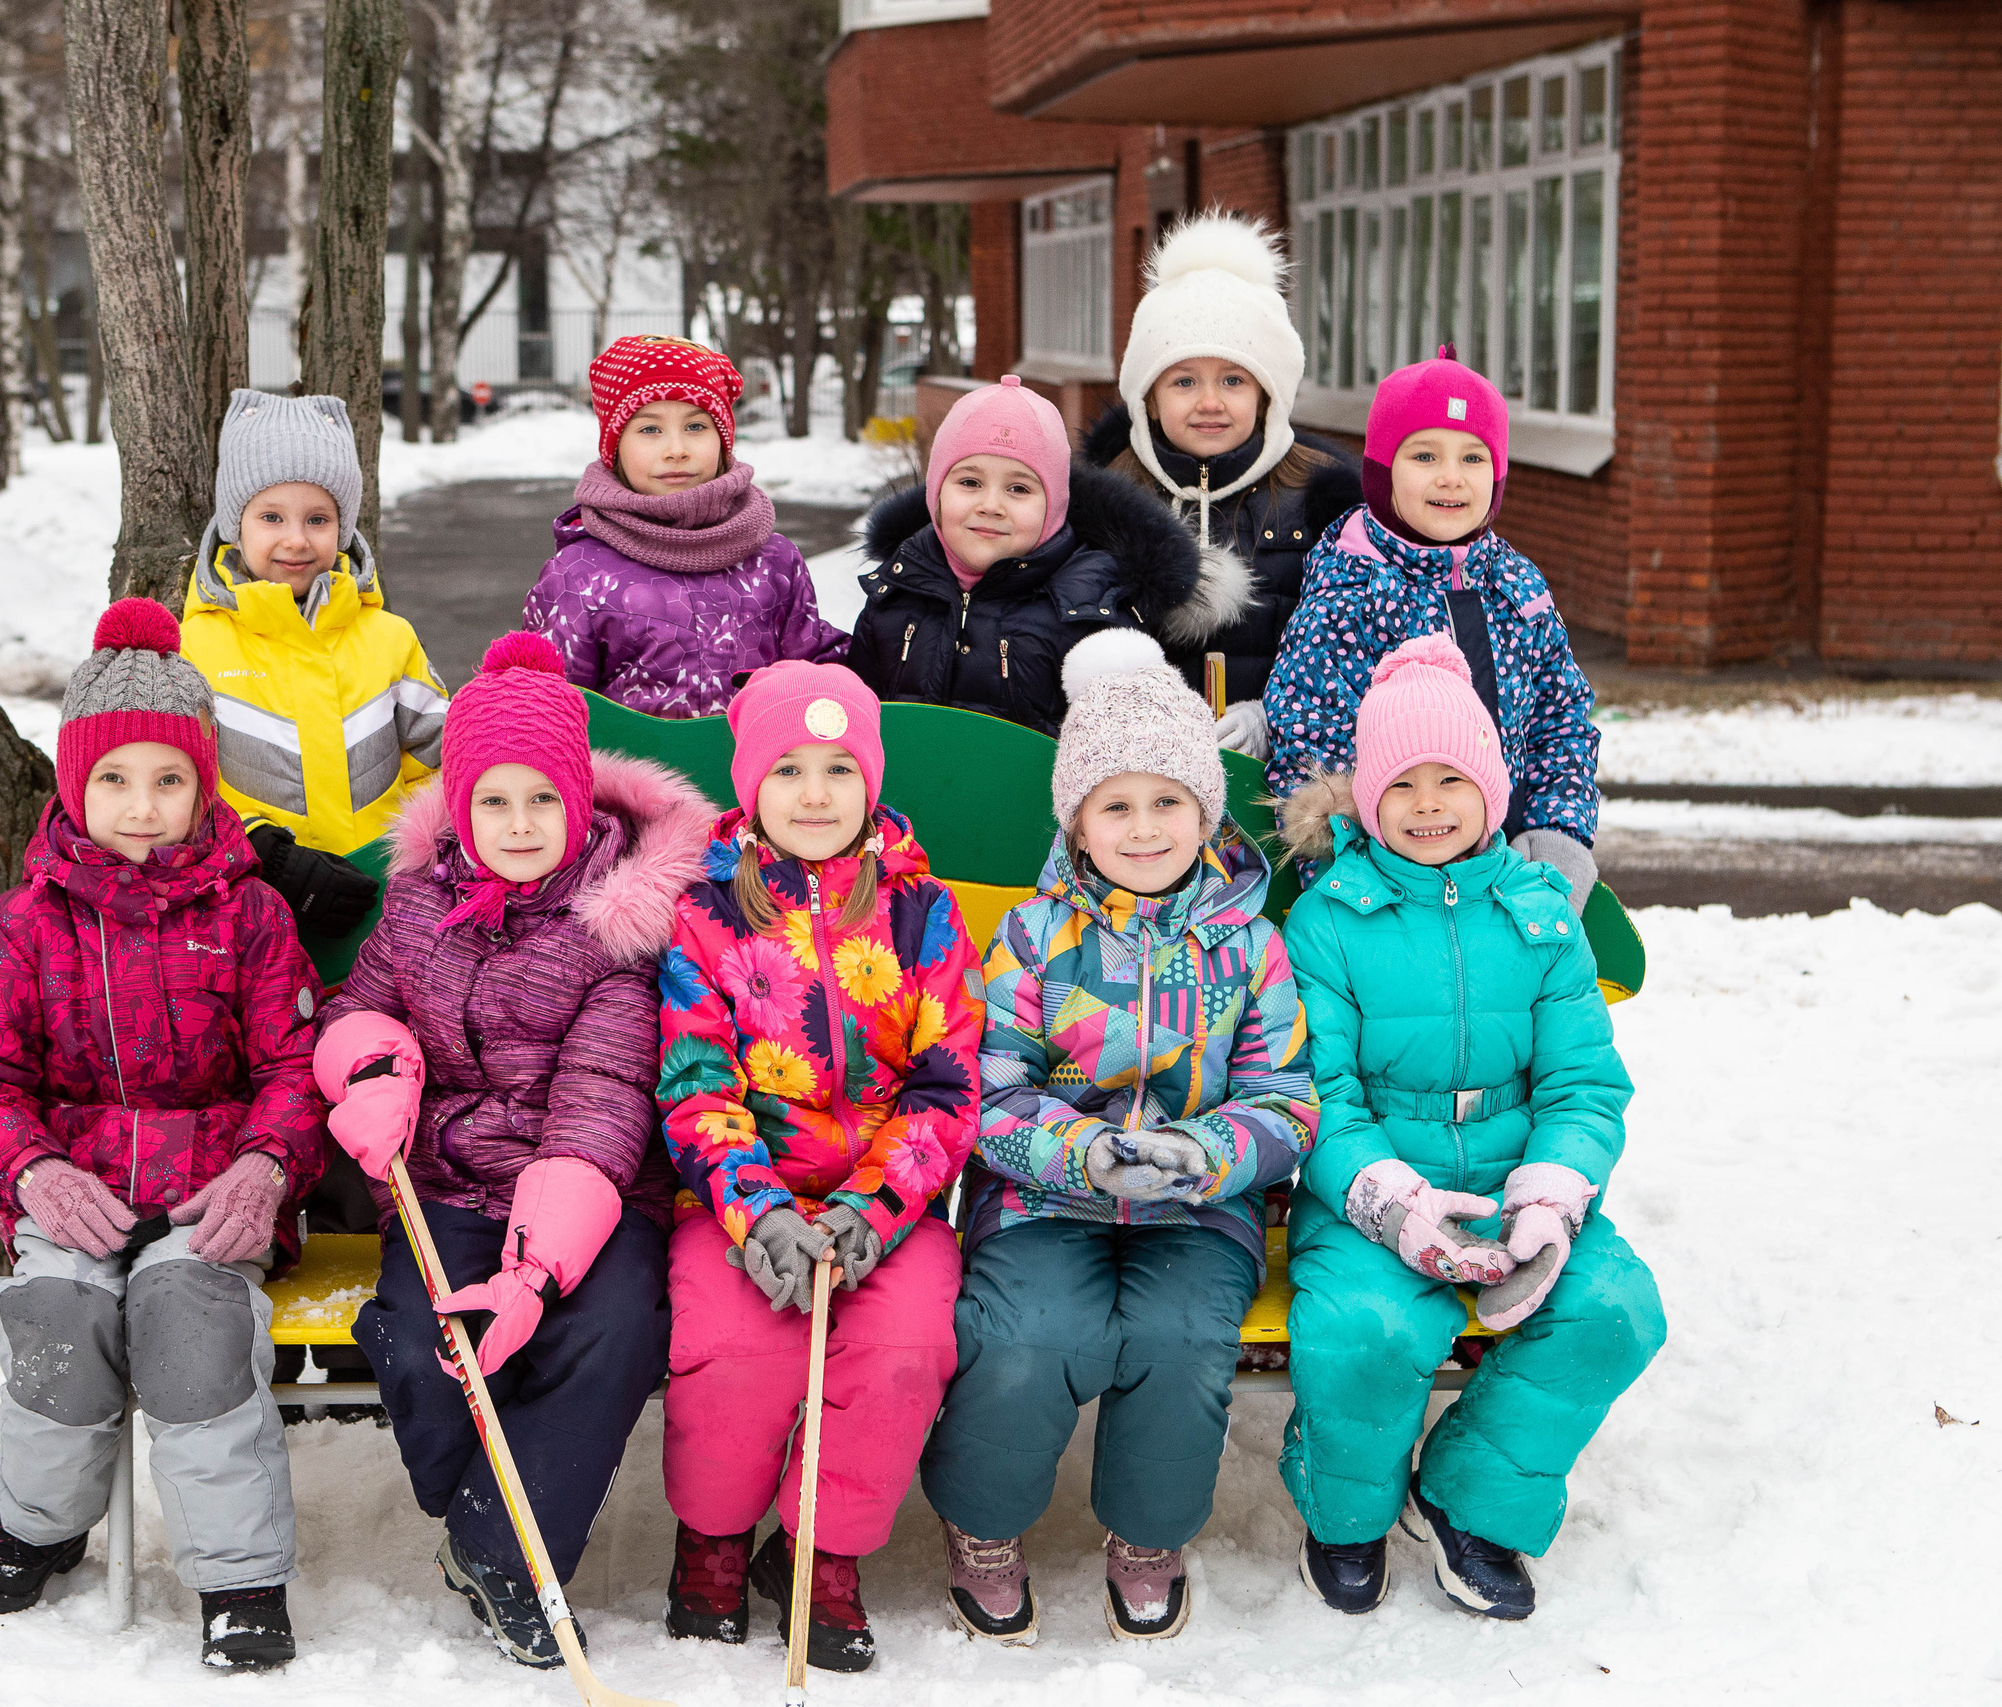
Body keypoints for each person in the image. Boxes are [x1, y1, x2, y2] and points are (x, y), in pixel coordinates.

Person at [0, 599, 327, 1672]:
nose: (140, 807)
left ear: (203, 788)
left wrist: (266, 1164)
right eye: (114, 779)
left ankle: (238, 1575)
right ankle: (39, 1528)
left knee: (188, 1320)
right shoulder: (21, 926)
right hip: (77, 1193)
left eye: (167, 780)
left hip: (210, 1201)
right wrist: (29, 1166)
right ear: (73, 783)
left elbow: (298, 1068)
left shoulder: (249, 918)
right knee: (58, 1319)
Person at [310, 631, 712, 1669]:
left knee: (613, 1327)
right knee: (422, 1333)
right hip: (443, 1182)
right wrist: (369, 1069)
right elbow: (360, 1007)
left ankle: (506, 1554)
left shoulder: (618, 927)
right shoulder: (417, 907)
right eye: (496, 801)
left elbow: (602, 1096)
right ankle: (483, 1520)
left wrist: (534, 1271)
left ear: (579, 804)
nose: (521, 824)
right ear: (459, 807)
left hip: (592, 1193)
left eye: (544, 800)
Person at [920, 630, 1317, 1647]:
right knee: (1027, 1334)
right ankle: (984, 1520)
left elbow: (1285, 1098)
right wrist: (1076, 1153)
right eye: (1116, 806)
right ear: (1078, 822)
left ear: (1204, 813)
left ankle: (1148, 1535)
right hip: (1046, 1200)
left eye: (1167, 803)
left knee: (1178, 1339)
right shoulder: (1031, 937)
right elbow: (987, 1094)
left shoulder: (1250, 946)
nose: (1144, 829)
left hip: (1196, 1209)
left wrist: (1208, 1154)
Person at [1272, 634, 1663, 1621]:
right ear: (1367, 799)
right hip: (1374, 1192)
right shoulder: (1329, 920)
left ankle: (1468, 1497)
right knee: (1362, 1330)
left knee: (1611, 1311)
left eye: (1453, 778)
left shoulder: (1539, 915)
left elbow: (1581, 1085)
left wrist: (1549, 1197)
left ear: (1490, 789)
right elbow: (1320, 1094)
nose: (1429, 804)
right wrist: (1393, 1204)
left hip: (1510, 1179)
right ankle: (1346, 1512)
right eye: (1403, 784)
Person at [655, 660, 982, 1672]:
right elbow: (695, 1086)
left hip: (885, 1206)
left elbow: (944, 1085)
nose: (812, 794)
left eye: (838, 769)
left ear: (870, 783)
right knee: (731, 1347)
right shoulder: (708, 915)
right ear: (751, 785)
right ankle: (710, 1540)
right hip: (740, 1203)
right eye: (788, 769)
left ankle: (818, 1554)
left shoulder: (923, 915)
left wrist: (872, 1211)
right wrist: (756, 1213)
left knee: (903, 1349)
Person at [1262, 351, 1603, 913]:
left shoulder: (1518, 587)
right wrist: (1354, 877)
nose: (1451, 477)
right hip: (1393, 881)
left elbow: (1560, 718)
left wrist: (1554, 841)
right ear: (1381, 470)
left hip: (1510, 876)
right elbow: (1311, 739)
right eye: (1424, 455)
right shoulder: (1351, 593)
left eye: (1473, 457)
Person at [182, 388, 449, 963]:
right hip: (248, 917)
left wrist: (414, 861)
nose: (297, 539)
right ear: (235, 524)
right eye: (271, 516)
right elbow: (177, 785)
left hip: (385, 911)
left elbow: (440, 761)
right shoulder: (194, 650)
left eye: (318, 518)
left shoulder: (388, 639)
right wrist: (261, 852)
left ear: (344, 527)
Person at [1081, 212, 1362, 744]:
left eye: (1233, 379)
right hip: (1145, 784)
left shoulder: (1326, 503)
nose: (1210, 402)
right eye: (1184, 380)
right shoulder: (1104, 501)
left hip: (1279, 784)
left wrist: (1276, 718)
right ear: (1151, 401)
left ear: (1266, 397)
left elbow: (1357, 651)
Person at [849, 375, 1245, 737]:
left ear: (1054, 504)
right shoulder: (894, 595)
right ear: (935, 491)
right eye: (969, 482)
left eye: (1019, 489)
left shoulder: (1091, 614)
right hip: (909, 813)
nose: (991, 505)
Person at [523, 336, 847, 716]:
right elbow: (545, 713)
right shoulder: (578, 575)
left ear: (724, 441)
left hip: (752, 774)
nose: (676, 448)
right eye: (649, 430)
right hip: (627, 774)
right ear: (615, 448)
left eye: (696, 426)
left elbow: (814, 675)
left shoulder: (773, 560)